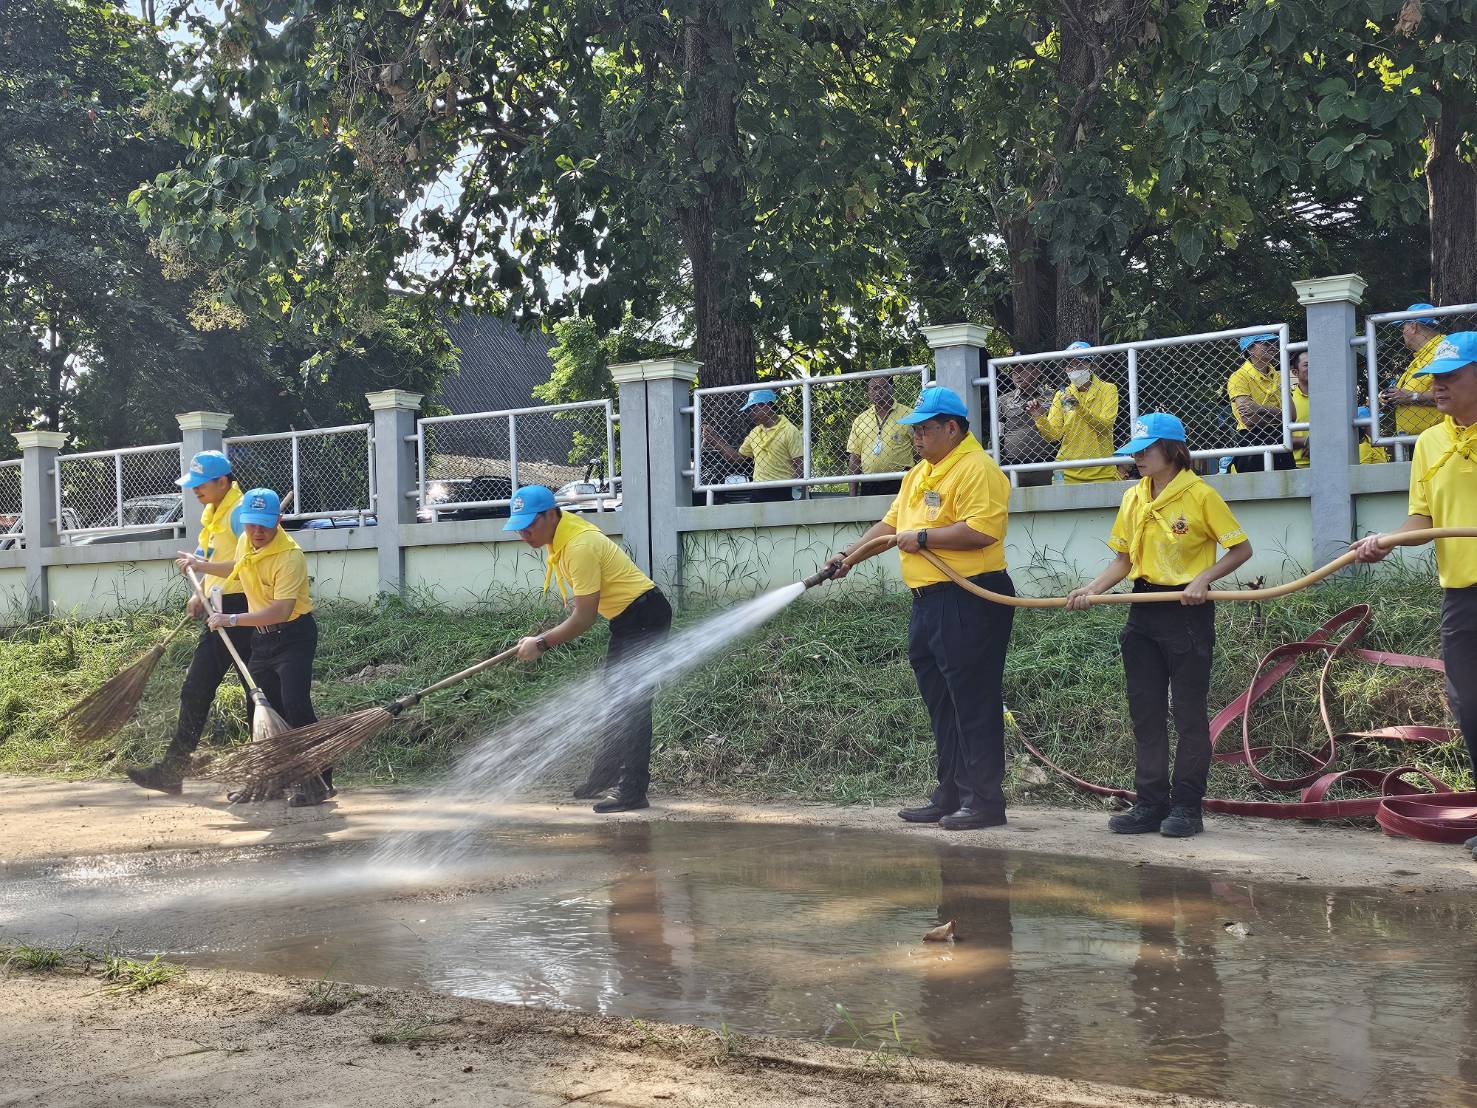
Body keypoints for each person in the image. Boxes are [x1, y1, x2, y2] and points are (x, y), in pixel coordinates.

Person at [821, 386, 1015, 831]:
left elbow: (982, 531)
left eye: (925, 428)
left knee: (973, 702)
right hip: (927, 602)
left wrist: (926, 538)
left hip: (970, 596)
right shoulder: (920, 474)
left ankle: (984, 800)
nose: (917, 436)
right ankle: (950, 794)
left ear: (952, 427)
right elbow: (891, 525)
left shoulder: (976, 469)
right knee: (942, 704)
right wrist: (849, 555)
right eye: (915, 429)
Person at [1066, 413, 1252, 838]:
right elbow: (1123, 561)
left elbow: (1240, 549)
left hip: (1186, 612)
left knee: (1187, 713)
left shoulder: (1201, 495)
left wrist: (1203, 579)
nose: (1137, 458)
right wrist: (1091, 589)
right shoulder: (1134, 497)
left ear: (1172, 450)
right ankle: (1150, 803)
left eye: (1145, 450)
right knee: (1145, 714)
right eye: (1134, 451)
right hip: (1143, 610)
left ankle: (1187, 807)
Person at [1353, 332, 1477, 861]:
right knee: (1468, 704)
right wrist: (1387, 542)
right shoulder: (1429, 443)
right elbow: (1422, 519)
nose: (1438, 384)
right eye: (1435, 376)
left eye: (1451, 374)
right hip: (1461, 593)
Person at [505, 484, 673, 813]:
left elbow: (582, 619)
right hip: (629, 619)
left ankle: (632, 789)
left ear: (551, 514)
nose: (524, 533)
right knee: (615, 697)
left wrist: (541, 643)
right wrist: (541, 640)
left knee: (633, 703)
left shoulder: (579, 546)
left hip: (644, 615)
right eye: (519, 527)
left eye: (530, 524)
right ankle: (606, 774)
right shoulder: (563, 539)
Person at [178, 487, 327, 807]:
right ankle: (267, 781)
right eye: (250, 524)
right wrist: (201, 565)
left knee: (294, 704)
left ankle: (319, 782)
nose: (257, 532)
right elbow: (235, 567)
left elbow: (281, 611)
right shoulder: (247, 540)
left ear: (279, 520)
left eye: (264, 524)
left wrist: (230, 619)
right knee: (260, 708)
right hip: (261, 639)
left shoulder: (290, 557)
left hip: (293, 637)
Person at [126, 451, 250, 794]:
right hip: (217, 612)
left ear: (222, 482)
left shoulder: (240, 513)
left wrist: (206, 572)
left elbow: (248, 565)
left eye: (200, 485)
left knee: (256, 692)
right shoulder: (213, 513)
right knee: (196, 689)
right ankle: (173, 770)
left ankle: (264, 773)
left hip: (246, 612)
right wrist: (201, 594)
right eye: (192, 485)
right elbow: (211, 559)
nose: (195, 491)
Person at [1029, 340, 1119, 483]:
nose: (1074, 369)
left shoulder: (1108, 389)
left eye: (1080, 364)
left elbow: (1105, 427)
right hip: (1066, 470)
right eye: (1070, 365)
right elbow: (1054, 435)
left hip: (1101, 471)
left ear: (1091, 365)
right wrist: (1039, 417)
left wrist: (1079, 408)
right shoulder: (1062, 395)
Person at [702, 389, 802, 503]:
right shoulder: (755, 432)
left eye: (753, 408)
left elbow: (799, 465)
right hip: (758, 491)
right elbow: (737, 458)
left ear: (766, 406)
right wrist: (714, 439)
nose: (751, 413)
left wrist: (796, 492)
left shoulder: (789, 431)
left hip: (782, 490)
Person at [1227, 333, 1294, 472]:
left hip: (1281, 439)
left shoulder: (1279, 376)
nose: (1272, 347)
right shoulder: (1239, 377)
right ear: (1250, 349)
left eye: (1273, 343)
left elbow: (1292, 415)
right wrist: (1280, 414)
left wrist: (1258, 408)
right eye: (1265, 343)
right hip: (1253, 440)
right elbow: (1249, 419)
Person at [1380, 304, 1444, 437]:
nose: (1402, 332)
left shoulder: (1443, 350)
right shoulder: (1420, 357)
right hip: (1420, 439)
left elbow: (1454, 394)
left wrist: (1411, 397)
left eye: (1403, 326)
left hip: (1440, 440)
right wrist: (1391, 397)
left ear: (1413, 327)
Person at [845, 374, 913, 496]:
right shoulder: (861, 420)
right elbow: (855, 459)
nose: (878, 392)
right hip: (869, 484)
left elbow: (920, 452)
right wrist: (852, 496)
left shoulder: (909, 415)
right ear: (868, 392)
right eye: (874, 388)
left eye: (883, 387)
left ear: (892, 388)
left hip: (901, 481)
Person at [996, 361, 1053, 488]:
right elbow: (997, 434)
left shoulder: (1051, 397)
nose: (1017, 375)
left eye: (1021, 370)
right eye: (1014, 371)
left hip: (1046, 463)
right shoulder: (1003, 400)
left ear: (1036, 371)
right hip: (1013, 464)